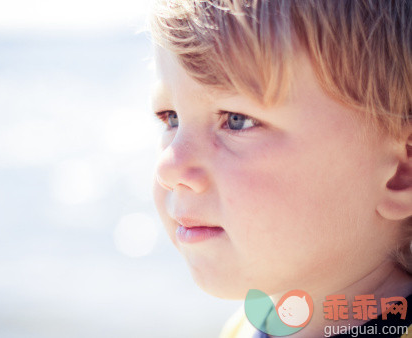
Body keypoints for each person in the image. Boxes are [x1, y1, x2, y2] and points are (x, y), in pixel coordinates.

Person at [148, 0, 412, 337]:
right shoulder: (247, 325)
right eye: (171, 117)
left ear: (400, 174)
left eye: (237, 120)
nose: (168, 167)